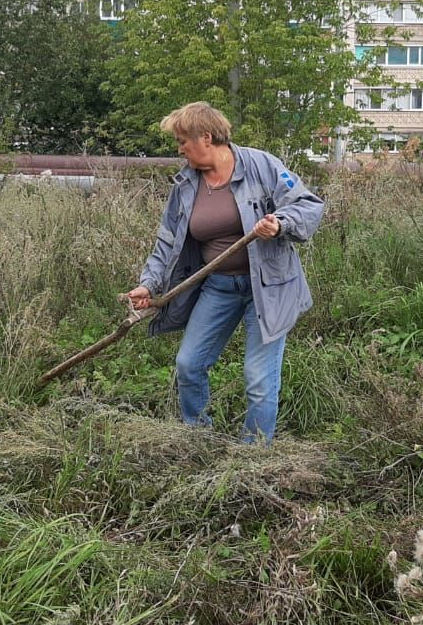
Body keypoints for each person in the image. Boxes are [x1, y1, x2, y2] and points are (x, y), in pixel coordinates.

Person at [125, 102, 325, 443]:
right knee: (189, 364)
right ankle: (199, 437)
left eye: (182, 141)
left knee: (258, 379)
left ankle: (254, 455)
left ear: (205, 137)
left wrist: (280, 224)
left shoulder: (262, 165)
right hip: (218, 288)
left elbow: (308, 205)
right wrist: (148, 285)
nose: (179, 149)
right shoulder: (186, 184)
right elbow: (167, 242)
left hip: (268, 288)